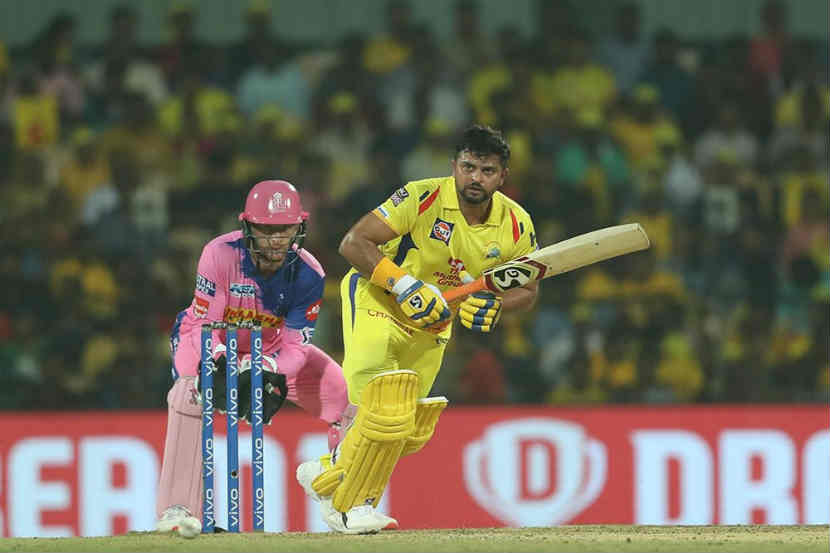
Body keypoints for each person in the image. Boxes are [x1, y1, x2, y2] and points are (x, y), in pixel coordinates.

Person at [296, 125, 539, 533]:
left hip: (435, 321)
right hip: (379, 299)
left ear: (502, 177)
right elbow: (353, 243)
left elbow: (528, 289)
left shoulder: (516, 223)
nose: (475, 178)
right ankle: (352, 507)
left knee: (404, 427)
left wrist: (497, 306)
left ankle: (327, 472)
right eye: (468, 167)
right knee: (379, 401)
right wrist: (405, 285)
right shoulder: (422, 196)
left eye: (486, 171)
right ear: (454, 166)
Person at [155, 180, 354, 532]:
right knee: (189, 394)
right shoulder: (220, 253)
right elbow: (204, 324)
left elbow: (295, 347)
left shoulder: (309, 273)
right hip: (207, 340)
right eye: (267, 230)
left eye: (285, 229)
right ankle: (177, 510)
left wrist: (265, 367)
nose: (276, 239)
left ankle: (347, 503)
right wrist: (221, 360)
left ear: (299, 227)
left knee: (345, 397)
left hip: (270, 350)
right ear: (248, 226)